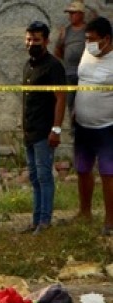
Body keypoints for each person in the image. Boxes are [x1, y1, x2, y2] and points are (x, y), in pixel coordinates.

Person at [21, 21, 66, 234]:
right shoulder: (28, 65)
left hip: (44, 132)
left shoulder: (54, 66)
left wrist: (56, 129)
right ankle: (36, 219)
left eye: (36, 40)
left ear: (46, 41)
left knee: (44, 176)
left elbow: (60, 97)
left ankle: (45, 221)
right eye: (29, 39)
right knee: (34, 177)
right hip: (29, 131)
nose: (31, 44)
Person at [72, 16, 113, 236]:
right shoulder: (88, 52)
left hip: (107, 127)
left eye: (93, 39)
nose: (89, 43)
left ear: (107, 39)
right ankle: (84, 212)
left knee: (108, 174)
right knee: (82, 169)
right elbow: (82, 82)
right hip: (82, 124)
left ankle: (110, 220)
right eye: (87, 39)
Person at [54, 1, 87, 107]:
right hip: (69, 74)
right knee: (70, 104)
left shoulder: (88, 30)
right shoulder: (66, 31)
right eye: (69, 13)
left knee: (83, 104)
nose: (70, 16)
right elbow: (57, 50)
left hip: (85, 74)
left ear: (81, 14)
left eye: (73, 13)